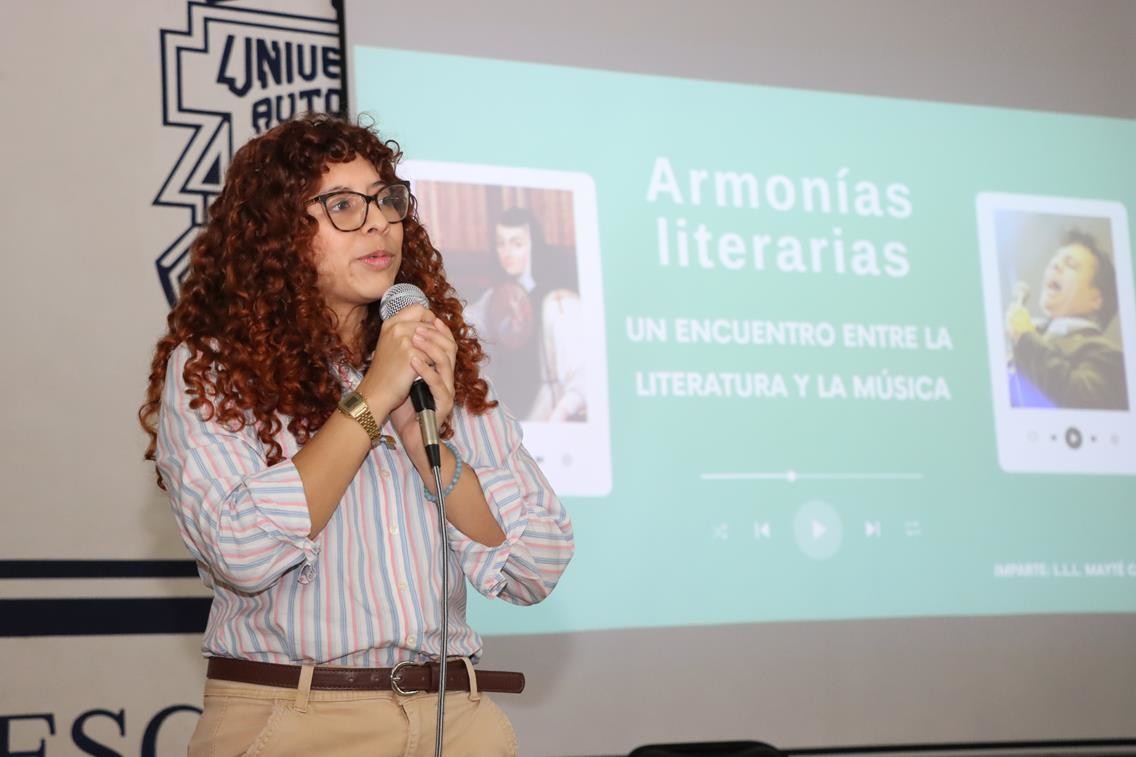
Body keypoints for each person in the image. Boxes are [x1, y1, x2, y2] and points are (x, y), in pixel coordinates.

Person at [138, 114, 574, 756]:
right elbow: (241, 551)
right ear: (277, 234)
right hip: (298, 716)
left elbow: (535, 564)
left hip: (455, 719)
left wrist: (425, 441)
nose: (377, 222)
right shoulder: (213, 369)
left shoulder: (432, 358)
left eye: (385, 199)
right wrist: (371, 400)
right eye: (340, 205)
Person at [464, 207, 586, 421]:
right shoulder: (496, 295)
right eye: (501, 243)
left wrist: (560, 413)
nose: (507, 252)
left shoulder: (556, 300)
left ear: (534, 246)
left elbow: (578, 371)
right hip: (505, 408)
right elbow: (470, 322)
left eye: (517, 244)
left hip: (548, 410)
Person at [1005, 229, 1128, 410]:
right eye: (1055, 260)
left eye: (1070, 264)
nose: (1054, 265)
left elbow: (1080, 398)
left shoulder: (1109, 355)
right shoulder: (1033, 335)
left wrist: (1026, 338)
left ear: (1096, 299)